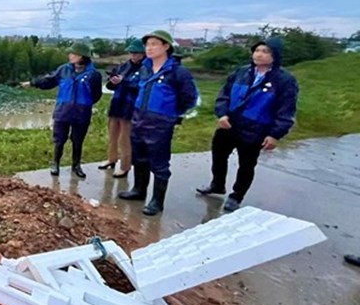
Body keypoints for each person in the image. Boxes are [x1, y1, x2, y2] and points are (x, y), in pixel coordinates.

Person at [196, 37, 299, 212]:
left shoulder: (284, 80)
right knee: (218, 155)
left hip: (256, 129)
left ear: (275, 55)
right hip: (230, 124)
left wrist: (275, 134)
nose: (259, 54)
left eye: (265, 51)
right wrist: (222, 114)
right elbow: (224, 95)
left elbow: (286, 110)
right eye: (257, 50)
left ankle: (236, 196)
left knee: (246, 164)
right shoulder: (241, 72)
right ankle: (217, 184)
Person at [118, 30, 198, 216]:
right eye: (147, 45)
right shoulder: (145, 68)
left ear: (166, 46)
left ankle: (157, 201)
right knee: (139, 158)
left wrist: (172, 114)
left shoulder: (177, 72)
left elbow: (189, 97)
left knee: (159, 163)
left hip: (160, 123)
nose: (149, 48)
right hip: (139, 119)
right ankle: (138, 190)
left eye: (154, 44)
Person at [22, 42, 103, 178]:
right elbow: (49, 80)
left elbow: (96, 94)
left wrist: (85, 103)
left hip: (82, 113)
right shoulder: (63, 70)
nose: (70, 56)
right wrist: (33, 83)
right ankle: (55, 163)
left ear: (81, 56)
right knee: (59, 139)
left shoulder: (94, 75)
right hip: (63, 111)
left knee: (78, 140)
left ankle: (76, 165)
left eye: (73, 54)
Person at [98, 39, 146, 178]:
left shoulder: (146, 69)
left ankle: (125, 166)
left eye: (136, 53)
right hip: (117, 103)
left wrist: (123, 81)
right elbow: (110, 86)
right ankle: (111, 158)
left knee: (125, 138)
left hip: (131, 106)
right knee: (112, 134)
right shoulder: (123, 66)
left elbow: (141, 86)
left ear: (142, 53)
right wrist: (113, 81)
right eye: (132, 52)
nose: (133, 55)